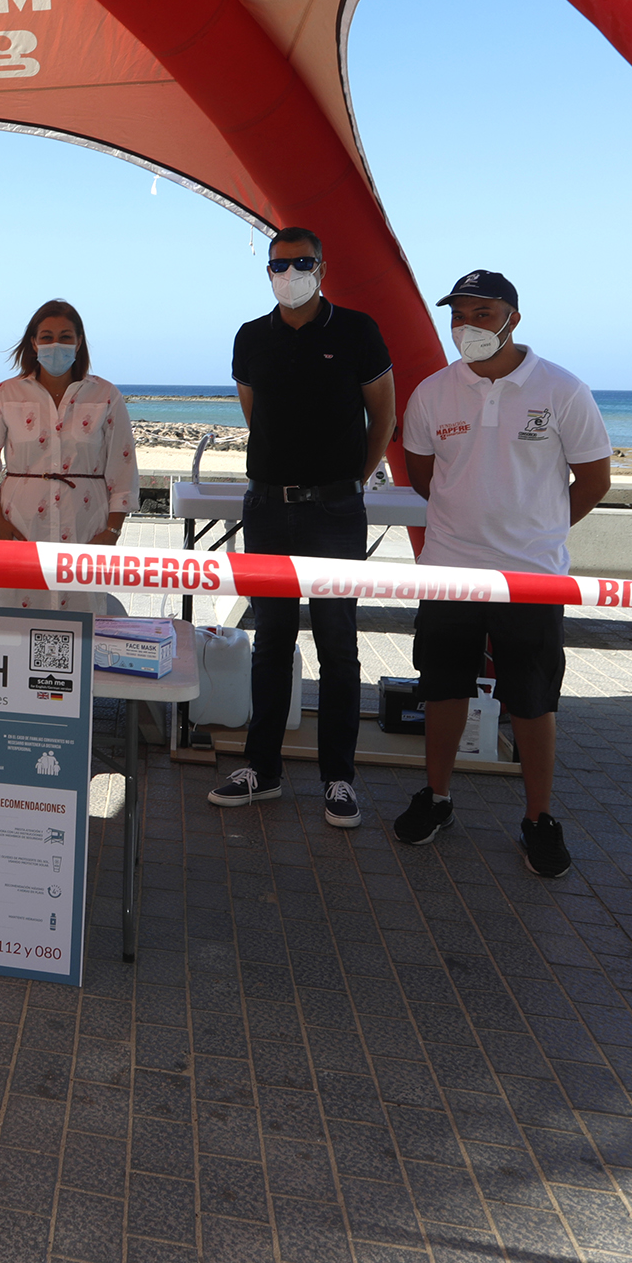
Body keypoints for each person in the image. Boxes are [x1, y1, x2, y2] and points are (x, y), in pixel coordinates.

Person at [393, 270, 612, 879]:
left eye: (482, 314)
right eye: (458, 315)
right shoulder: (432, 393)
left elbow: (594, 481)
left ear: (513, 318)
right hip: (448, 572)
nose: (468, 327)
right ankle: (436, 799)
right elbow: (423, 475)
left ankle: (538, 820)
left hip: (531, 577)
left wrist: (536, 531)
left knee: (533, 700)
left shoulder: (563, 390)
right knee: (442, 688)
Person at [210, 228, 397, 828]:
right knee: (270, 642)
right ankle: (261, 771)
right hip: (267, 507)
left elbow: (384, 413)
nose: (288, 273)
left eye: (300, 263)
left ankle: (339, 780)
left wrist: (349, 481)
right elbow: (255, 412)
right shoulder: (250, 337)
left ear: (322, 266)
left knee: (338, 646)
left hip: (335, 511)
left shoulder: (358, 330)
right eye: (277, 265)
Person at [0, 299, 140, 612]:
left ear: (79, 342)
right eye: (46, 337)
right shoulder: (7, 393)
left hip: (86, 522)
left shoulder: (105, 395)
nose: (55, 344)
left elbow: (123, 464)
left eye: (65, 336)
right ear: (33, 343)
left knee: (82, 610)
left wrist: (112, 530)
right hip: (20, 520)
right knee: (17, 606)